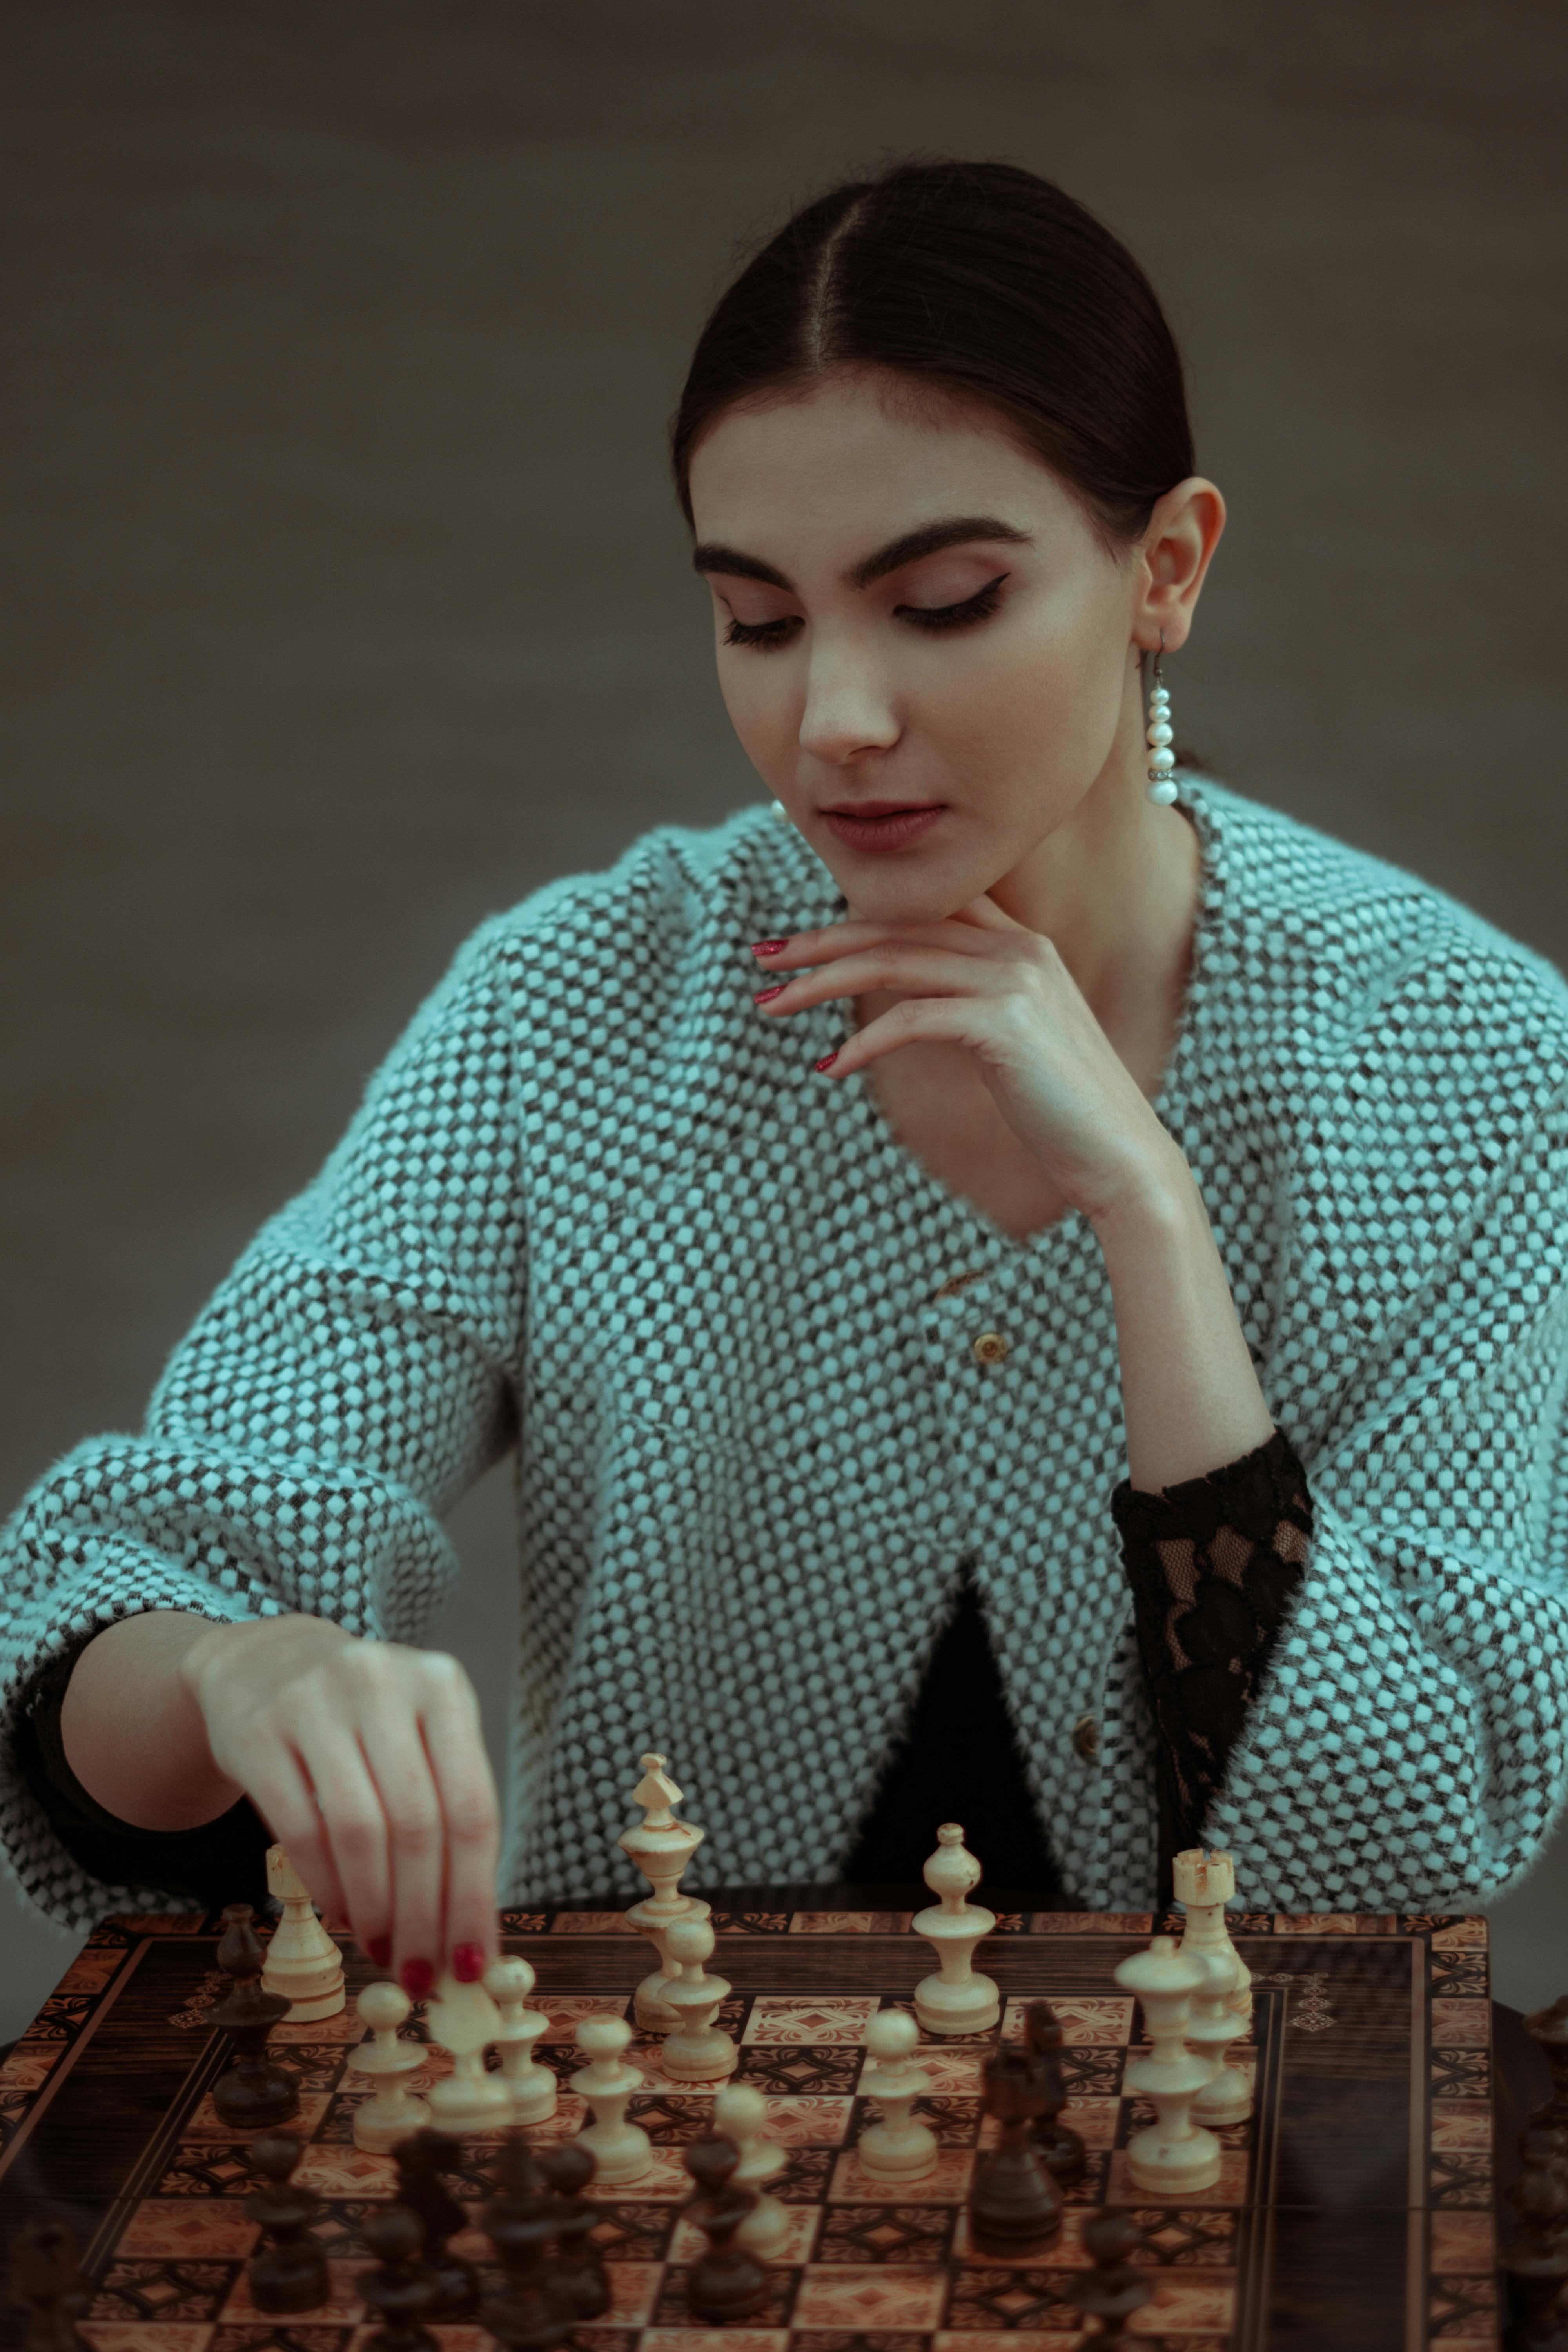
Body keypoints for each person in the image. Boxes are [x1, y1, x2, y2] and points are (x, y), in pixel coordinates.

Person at [4, 160, 1567, 2002]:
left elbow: (1389, 1857)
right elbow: (123, 1593)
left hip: (1251, 2215)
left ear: (1167, 568)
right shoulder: (577, 1009)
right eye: (757, 620)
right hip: (662, 2212)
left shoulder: (1464, 1057)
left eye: (947, 600)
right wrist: (228, 1670)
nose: (831, 719)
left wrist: (1152, 1221)